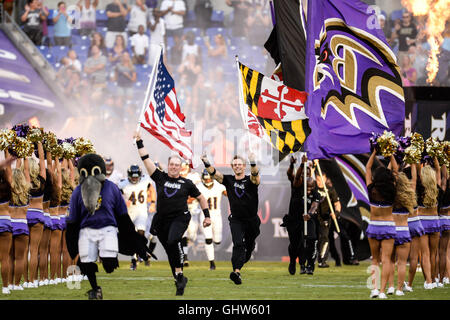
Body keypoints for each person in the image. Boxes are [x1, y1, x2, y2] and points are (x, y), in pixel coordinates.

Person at [134, 132, 211, 296]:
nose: (174, 167)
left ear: (181, 167)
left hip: (180, 217)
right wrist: (139, 141)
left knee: (174, 239)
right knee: (170, 250)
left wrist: (207, 216)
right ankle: (179, 278)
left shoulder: (187, 183)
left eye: (177, 165)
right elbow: (146, 160)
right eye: (172, 164)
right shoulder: (160, 177)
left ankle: (180, 274)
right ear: (168, 165)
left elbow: (201, 198)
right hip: (161, 219)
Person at [66, 153, 150, 300]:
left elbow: (122, 215)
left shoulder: (111, 188)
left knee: (109, 264)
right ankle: (95, 289)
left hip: (107, 229)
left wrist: (132, 236)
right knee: (86, 263)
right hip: (87, 230)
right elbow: (73, 219)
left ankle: (108, 255)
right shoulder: (78, 191)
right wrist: (72, 241)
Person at [201, 152, 260, 285]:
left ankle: (248, 251)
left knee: (249, 245)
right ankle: (236, 272)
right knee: (238, 244)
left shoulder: (250, 180)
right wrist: (205, 161)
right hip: (236, 219)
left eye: (240, 164)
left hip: (251, 219)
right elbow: (214, 174)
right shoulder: (229, 180)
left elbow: (256, 177)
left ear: (244, 166)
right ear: (232, 167)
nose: (237, 166)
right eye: (235, 165)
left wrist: (253, 162)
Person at [365, 150, 397, 299]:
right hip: (389, 226)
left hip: (374, 226)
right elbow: (396, 170)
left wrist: (375, 152)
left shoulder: (371, 189)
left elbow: (367, 168)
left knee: (375, 259)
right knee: (386, 260)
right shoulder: (392, 188)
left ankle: (375, 289)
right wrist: (390, 154)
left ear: (376, 178)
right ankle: (383, 291)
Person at [282, 155, 320, 275]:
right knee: (295, 245)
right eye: (303, 173)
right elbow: (294, 175)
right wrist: (298, 165)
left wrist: (309, 214)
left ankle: (306, 265)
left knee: (309, 241)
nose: (305, 174)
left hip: (307, 219)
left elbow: (315, 203)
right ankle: (293, 261)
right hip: (294, 219)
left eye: (307, 173)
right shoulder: (297, 183)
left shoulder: (313, 186)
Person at [387, 162, 416, 296]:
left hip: (392, 230)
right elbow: (414, 180)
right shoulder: (409, 195)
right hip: (404, 230)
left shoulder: (390, 195)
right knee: (402, 263)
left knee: (390, 261)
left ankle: (391, 287)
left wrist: (391, 159)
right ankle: (399, 290)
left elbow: (387, 177)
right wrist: (414, 162)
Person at [118, 164, 153, 270]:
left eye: (136, 177)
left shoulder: (145, 180)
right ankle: (134, 258)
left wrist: (153, 202)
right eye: (132, 177)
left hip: (141, 211)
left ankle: (137, 257)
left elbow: (152, 190)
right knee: (130, 236)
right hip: (129, 213)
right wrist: (123, 202)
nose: (134, 178)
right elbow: (116, 196)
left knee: (140, 232)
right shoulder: (123, 184)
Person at [24, 142, 46, 288]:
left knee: (24, 251)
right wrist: (38, 142)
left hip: (25, 215)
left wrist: (24, 146)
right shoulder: (42, 180)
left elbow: (25, 163)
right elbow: (43, 159)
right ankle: (32, 281)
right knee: (34, 250)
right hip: (38, 213)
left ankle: (25, 281)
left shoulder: (25, 179)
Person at [417, 158, 441, 289]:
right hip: (434, 221)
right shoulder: (436, 187)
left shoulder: (419, 189)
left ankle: (429, 281)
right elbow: (438, 169)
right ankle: (434, 278)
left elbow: (415, 173)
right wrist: (435, 156)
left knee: (425, 254)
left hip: (422, 222)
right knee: (434, 253)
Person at [197, 169, 227, 270]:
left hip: (217, 216)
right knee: (208, 239)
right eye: (206, 180)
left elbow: (228, 193)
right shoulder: (199, 187)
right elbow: (190, 197)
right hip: (205, 216)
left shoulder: (219, 186)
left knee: (217, 240)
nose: (207, 182)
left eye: (209, 179)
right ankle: (212, 263)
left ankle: (216, 245)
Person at [9, 157, 31, 291]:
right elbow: (27, 170)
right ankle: (17, 284)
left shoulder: (8, 190)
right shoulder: (27, 190)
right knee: (20, 258)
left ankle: (9, 283)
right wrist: (24, 156)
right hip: (22, 225)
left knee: (9, 258)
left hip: (9, 224)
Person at [314, 166, 341, 268]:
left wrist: (336, 213)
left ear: (325, 179)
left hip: (325, 219)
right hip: (314, 218)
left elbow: (337, 203)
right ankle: (314, 259)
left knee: (324, 239)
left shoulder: (330, 190)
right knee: (314, 240)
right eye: (317, 180)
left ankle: (322, 261)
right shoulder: (313, 188)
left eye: (321, 179)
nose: (319, 182)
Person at [180, 161, 201, 267]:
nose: (182, 168)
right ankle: (185, 256)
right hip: (181, 209)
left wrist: (191, 197)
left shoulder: (194, 177)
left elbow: (199, 191)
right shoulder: (176, 177)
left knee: (192, 234)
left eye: (184, 167)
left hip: (193, 209)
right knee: (183, 234)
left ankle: (186, 250)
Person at [0, 151, 13, 294]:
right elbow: (9, 172)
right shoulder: (8, 186)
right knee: (5, 258)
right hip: (5, 221)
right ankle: (5, 287)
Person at [438, 165, 450, 286]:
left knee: (438, 252)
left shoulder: (440, 191)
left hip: (440, 221)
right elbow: (446, 178)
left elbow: (444, 180)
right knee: (446, 251)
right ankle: (446, 277)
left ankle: (438, 277)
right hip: (449, 220)